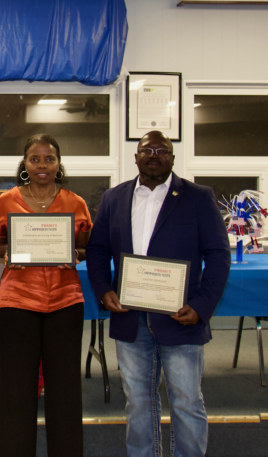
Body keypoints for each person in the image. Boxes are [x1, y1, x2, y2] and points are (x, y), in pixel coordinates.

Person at [85, 130, 231, 457]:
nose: (154, 154)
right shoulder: (114, 198)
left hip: (181, 318)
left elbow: (219, 255)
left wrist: (202, 305)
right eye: (146, 149)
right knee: (138, 403)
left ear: (172, 157)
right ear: (135, 157)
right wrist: (104, 290)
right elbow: (97, 250)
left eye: (162, 150)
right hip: (130, 319)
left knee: (187, 401)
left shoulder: (198, 196)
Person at [0, 133, 91, 456]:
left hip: (65, 302)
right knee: (18, 389)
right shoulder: (7, 201)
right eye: (35, 159)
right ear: (25, 164)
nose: (42, 165)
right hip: (18, 303)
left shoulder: (76, 203)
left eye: (49, 159)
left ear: (58, 164)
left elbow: (88, 246)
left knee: (65, 390)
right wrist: (15, 249)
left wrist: (74, 252)